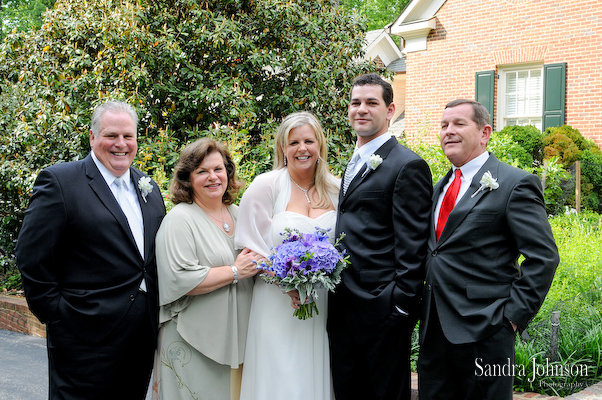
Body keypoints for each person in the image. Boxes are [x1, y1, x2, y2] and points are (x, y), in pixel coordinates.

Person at [16, 100, 166, 399]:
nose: (121, 144)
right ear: (93, 137)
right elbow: (31, 255)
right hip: (82, 335)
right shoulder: (60, 181)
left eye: (128, 136)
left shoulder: (147, 185)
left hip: (140, 336)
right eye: (111, 135)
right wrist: (58, 315)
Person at [417, 99, 559, 400]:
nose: (448, 131)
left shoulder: (514, 184)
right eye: (444, 125)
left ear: (484, 133)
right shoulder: (439, 188)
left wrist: (511, 317)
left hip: (486, 330)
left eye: (458, 124)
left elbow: (544, 256)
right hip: (434, 331)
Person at [328, 73, 433, 400]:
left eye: (371, 103)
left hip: (382, 310)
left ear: (390, 110)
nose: (361, 109)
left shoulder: (407, 165)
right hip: (342, 305)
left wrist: (400, 307)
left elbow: (413, 244)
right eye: (355, 103)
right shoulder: (353, 163)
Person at [235, 112, 340, 400]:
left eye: (308, 140)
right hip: (276, 304)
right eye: (293, 142)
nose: (301, 148)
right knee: (278, 378)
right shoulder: (266, 185)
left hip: (321, 304)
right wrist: (287, 285)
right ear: (283, 148)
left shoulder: (336, 189)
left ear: (320, 144)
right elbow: (250, 251)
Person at [152, 138, 260, 400]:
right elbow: (180, 278)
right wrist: (235, 271)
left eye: (218, 169)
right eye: (202, 171)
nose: (213, 177)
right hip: (192, 341)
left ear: (228, 172)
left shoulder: (239, 213)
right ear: (188, 178)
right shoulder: (179, 220)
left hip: (241, 341)